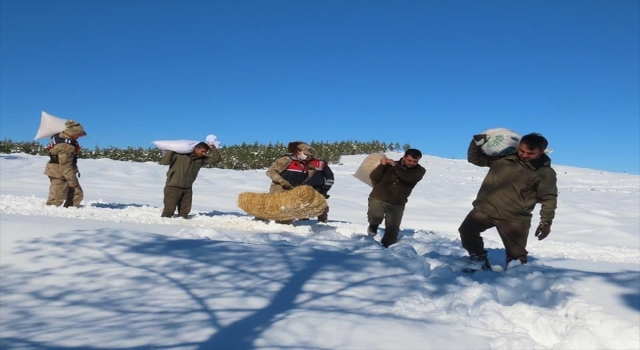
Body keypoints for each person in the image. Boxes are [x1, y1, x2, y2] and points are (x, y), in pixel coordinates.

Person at [458, 132, 558, 271]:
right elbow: (475, 159)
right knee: (467, 232)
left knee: (516, 256)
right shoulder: (503, 158)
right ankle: (479, 259)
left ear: (541, 152)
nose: (524, 155)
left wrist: (546, 222)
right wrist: (475, 143)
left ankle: (516, 281)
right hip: (485, 210)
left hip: (514, 218)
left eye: (530, 153)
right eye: (522, 150)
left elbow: (549, 198)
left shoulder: (544, 173)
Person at [367, 149, 426, 247]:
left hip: (397, 202)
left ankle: (387, 250)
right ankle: (373, 226)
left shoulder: (419, 171)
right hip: (378, 196)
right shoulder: (390, 164)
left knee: (392, 230)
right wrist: (382, 165)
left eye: (415, 161)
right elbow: (374, 177)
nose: (411, 163)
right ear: (404, 157)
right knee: (375, 215)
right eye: (409, 160)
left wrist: (394, 165)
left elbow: (406, 177)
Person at [159, 141, 221, 219]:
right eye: (203, 151)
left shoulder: (201, 160)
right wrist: (171, 150)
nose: (204, 154)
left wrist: (212, 148)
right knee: (169, 210)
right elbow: (164, 162)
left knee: (184, 211)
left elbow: (217, 159)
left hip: (187, 187)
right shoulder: (179, 155)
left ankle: (182, 226)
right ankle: (163, 226)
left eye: (206, 152)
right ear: (196, 149)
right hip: (173, 186)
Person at [264, 141, 316, 224]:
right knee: (278, 213)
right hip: (279, 190)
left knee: (289, 214)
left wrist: (310, 172)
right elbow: (270, 172)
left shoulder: (305, 164)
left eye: (309, 154)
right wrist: (282, 181)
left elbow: (305, 177)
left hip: (294, 191)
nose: (308, 156)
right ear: (298, 151)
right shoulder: (286, 160)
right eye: (306, 154)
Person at [44, 120, 88, 207]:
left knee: (74, 193)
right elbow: (66, 165)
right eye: (78, 135)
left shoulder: (59, 136)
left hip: (56, 171)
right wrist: (71, 180)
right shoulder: (66, 146)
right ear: (73, 133)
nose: (79, 137)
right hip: (60, 173)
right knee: (58, 196)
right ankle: (52, 213)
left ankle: (69, 210)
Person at [304, 155, 335, 222]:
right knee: (302, 207)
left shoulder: (320, 163)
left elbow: (330, 177)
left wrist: (325, 189)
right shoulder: (298, 163)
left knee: (322, 207)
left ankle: (323, 223)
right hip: (302, 190)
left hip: (319, 189)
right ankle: (303, 223)